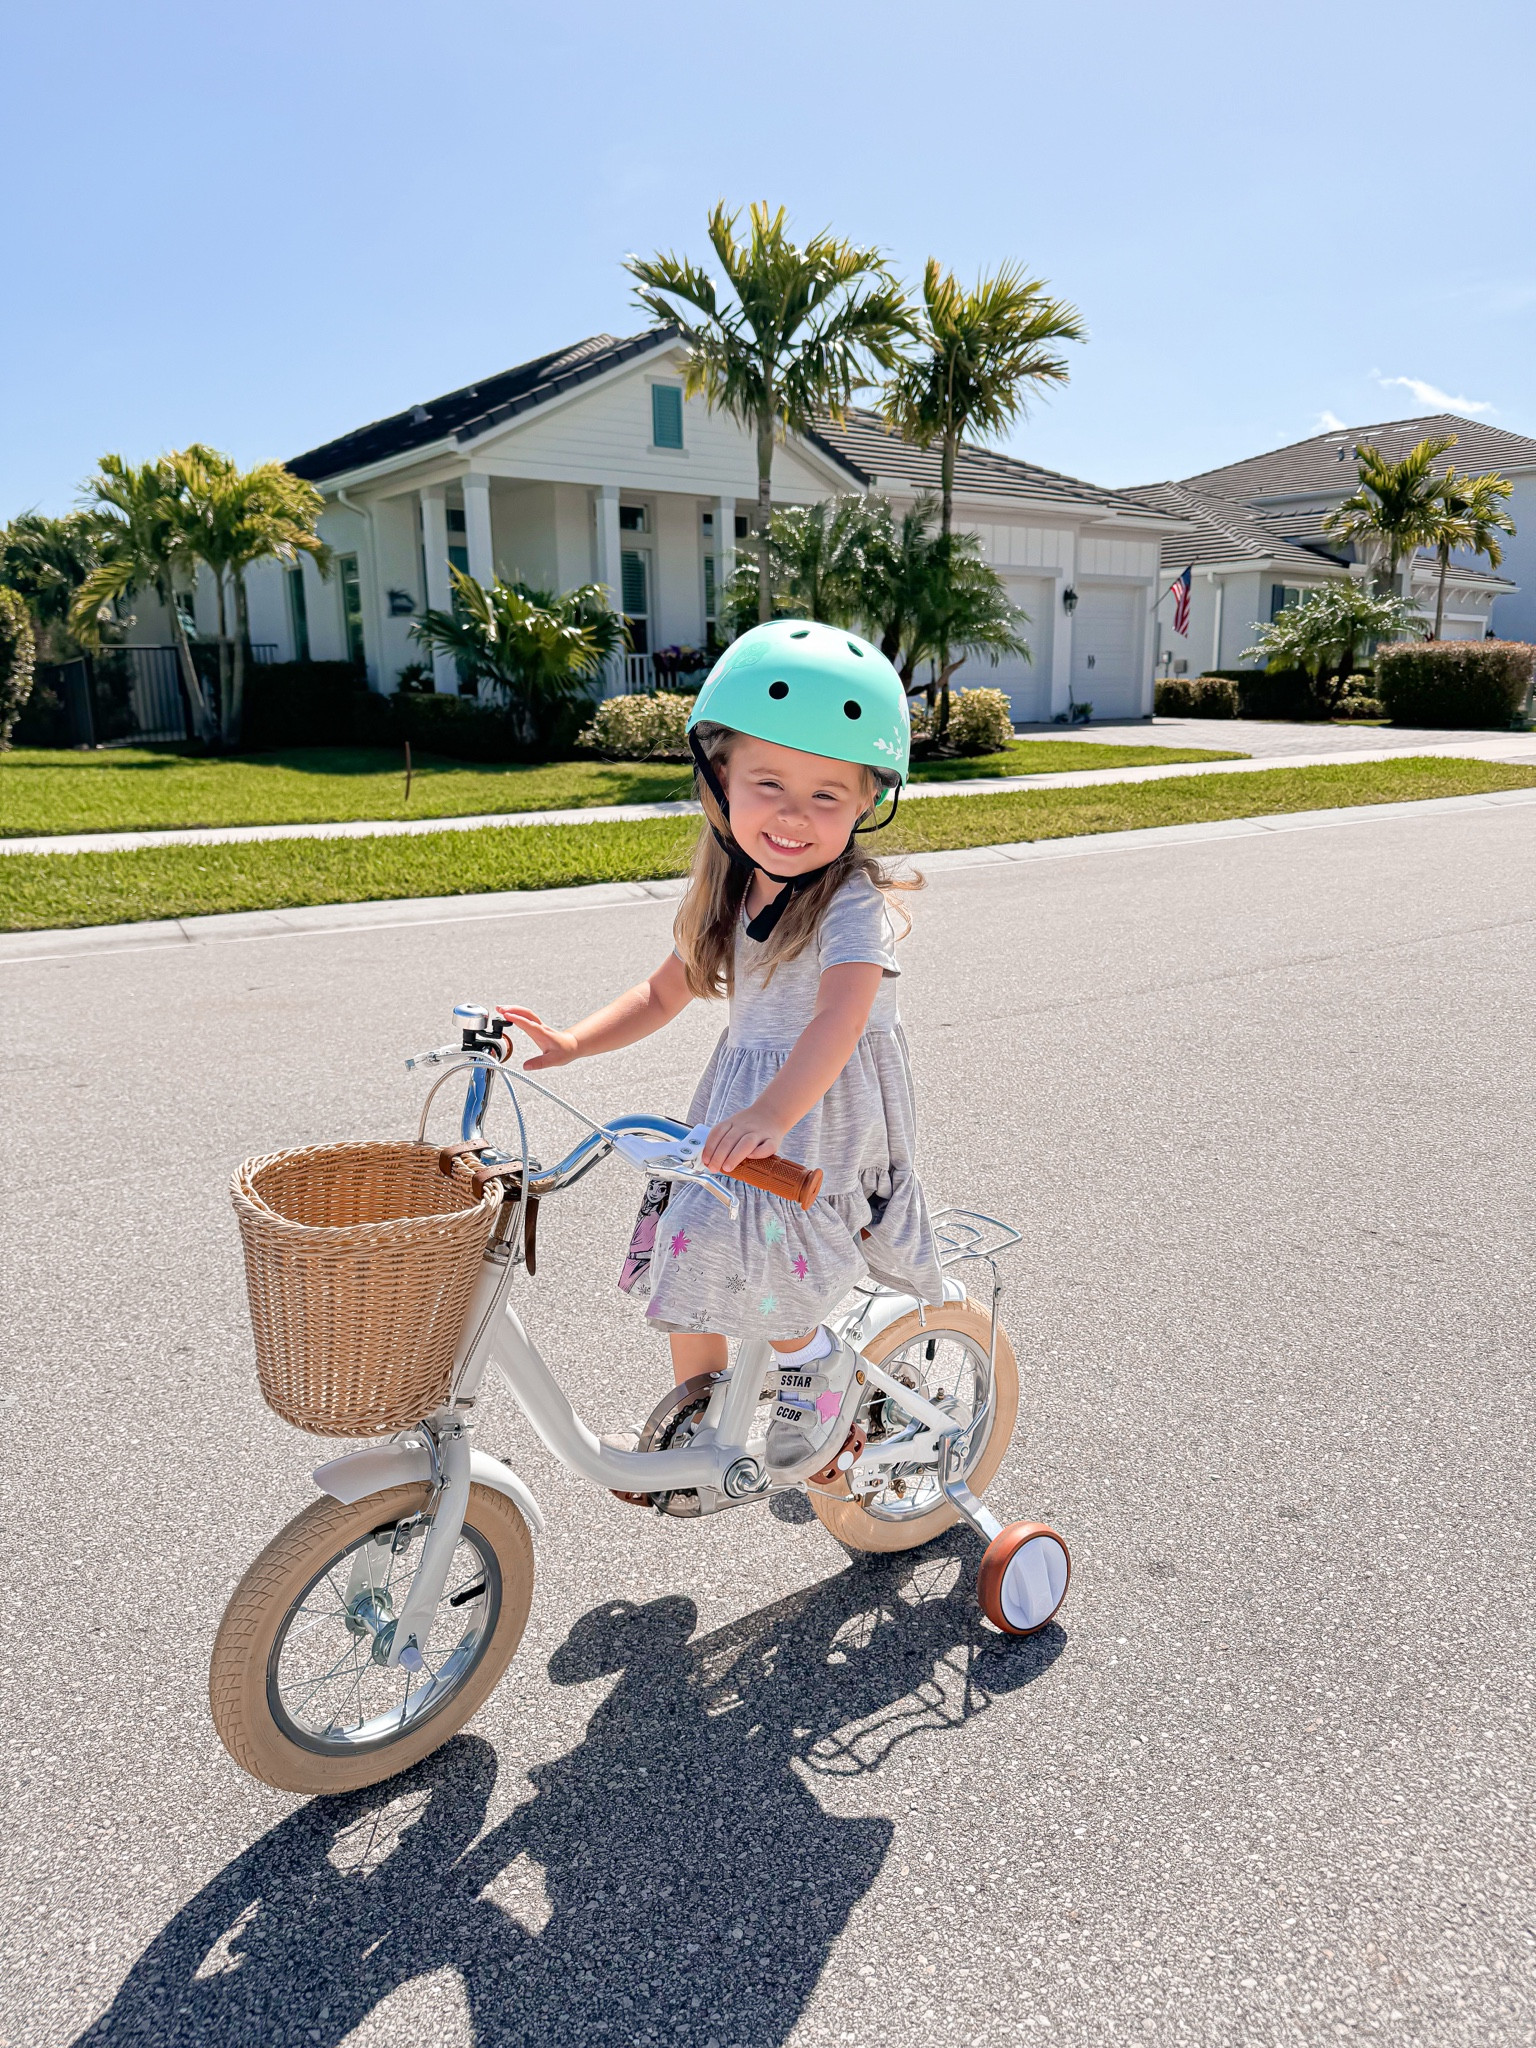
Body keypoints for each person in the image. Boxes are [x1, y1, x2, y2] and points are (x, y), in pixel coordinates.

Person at [501, 619, 945, 1479]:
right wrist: (572, 1042)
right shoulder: (731, 888)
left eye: (828, 795)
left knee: (778, 1247)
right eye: (768, 782)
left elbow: (840, 1017)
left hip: (821, 1104)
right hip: (745, 1100)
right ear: (720, 784)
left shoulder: (853, 900)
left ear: (865, 803)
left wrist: (776, 1110)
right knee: (690, 1230)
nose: (793, 813)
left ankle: (814, 1357)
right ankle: (699, 1423)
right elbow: (665, 991)